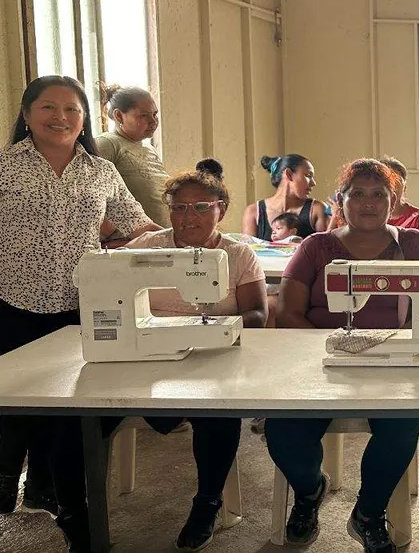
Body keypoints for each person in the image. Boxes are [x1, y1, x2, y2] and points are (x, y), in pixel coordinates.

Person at [0, 76, 158, 550]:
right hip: (11, 305)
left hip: (78, 309)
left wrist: (190, 239)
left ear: (85, 119)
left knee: (71, 409)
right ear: (26, 115)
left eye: (72, 109)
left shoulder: (100, 172)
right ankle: (10, 478)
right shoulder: (4, 169)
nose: (61, 118)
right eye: (48, 108)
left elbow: (137, 225)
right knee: (14, 405)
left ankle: (62, 499)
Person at [268, 159, 419, 553]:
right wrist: (329, 351)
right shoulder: (316, 247)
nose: (368, 203)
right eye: (357, 194)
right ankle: (310, 492)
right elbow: (287, 312)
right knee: (282, 427)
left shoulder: (413, 245)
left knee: (404, 423)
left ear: (394, 203)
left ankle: (368, 513)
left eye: (380, 195)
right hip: (320, 359)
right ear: (340, 201)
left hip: (392, 362)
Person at [119, 158, 266, 550]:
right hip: (150, 355)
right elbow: (111, 289)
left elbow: (256, 313)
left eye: (202, 206)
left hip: (213, 355)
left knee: (219, 414)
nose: (189, 216)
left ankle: (207, 503)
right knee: (85, 412)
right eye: (179, 207)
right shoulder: (146, 249)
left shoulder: (238, 254)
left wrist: (216, 329)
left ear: (221, 209)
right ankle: (76, 508)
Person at [94, 84, 171, 227]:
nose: (153, 122)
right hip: (128, 244)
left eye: (155, 114)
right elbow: (90, 196)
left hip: (156, 240)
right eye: (143, 116)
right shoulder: (107, 144)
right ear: (118, 116)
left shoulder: (149, 149)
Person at [242, 154, 327, 240]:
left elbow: (326, 248)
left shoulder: (317, 209)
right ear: (289, 174)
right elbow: (247, 251)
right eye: (308, 175)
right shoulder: (253, 212)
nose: (313, 183)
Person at [380, 157, 419, 241]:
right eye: (386, 181)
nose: (392, 187)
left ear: (405, 187)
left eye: (396, 181)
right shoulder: (367, 217)